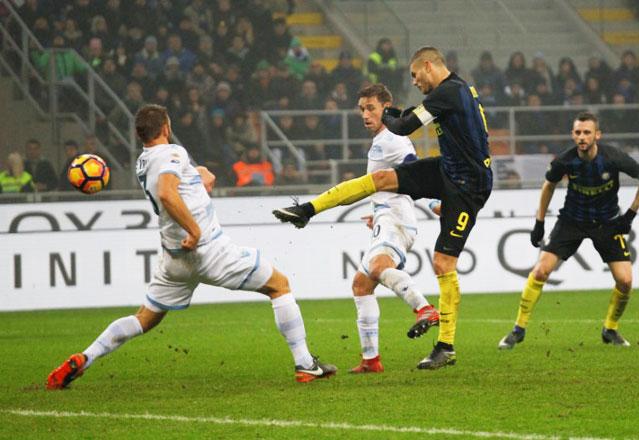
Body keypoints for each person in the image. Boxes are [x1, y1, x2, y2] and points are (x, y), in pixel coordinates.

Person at [46, 104, 336, 389]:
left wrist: (199, 173)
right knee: (279, 286)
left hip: (174, 260)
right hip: (208, 250)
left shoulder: (144, 161)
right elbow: (168, 193)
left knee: (144, 319)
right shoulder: (173, 151)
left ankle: (86, 357)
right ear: (166, 127)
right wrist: (195, 230)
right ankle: (305, 365)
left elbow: (174, 181)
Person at [273, 46, 492, 370]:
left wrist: (388, 112)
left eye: (415, 76)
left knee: (443, 263)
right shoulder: (454, 90)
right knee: (379, 179)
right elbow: (409, 120)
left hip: (468, 186)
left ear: (429, 67)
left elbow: (403, 127)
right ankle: (308, 209)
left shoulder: (448, 93)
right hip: (449, 169)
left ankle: (445, 345)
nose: (415, 82)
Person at [498, 112, 639, 350]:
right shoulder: (565, 160)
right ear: (573, 134)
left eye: (587, 132)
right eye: (578, 133)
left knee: (625, 280)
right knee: (540, 271)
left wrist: (630, 215)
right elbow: (548, 185)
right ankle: (518, 329)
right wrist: (539, 222)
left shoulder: (613, 158)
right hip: (572, 221)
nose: (582, 137)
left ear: (597, 135)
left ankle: (610, 328)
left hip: (607, 222)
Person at [348, 84, 439, 374]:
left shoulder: (391, 139)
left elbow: (414, 168)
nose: (365, 114)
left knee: (377, 267)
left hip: (396, 219)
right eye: (362, 108)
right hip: (386, 217)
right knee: (362, 285)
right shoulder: (382, 140)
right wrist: (377, 212)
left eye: (371, 108)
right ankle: (370, 360)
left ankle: (424, 308)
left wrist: (437, 199)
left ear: (386, 108)